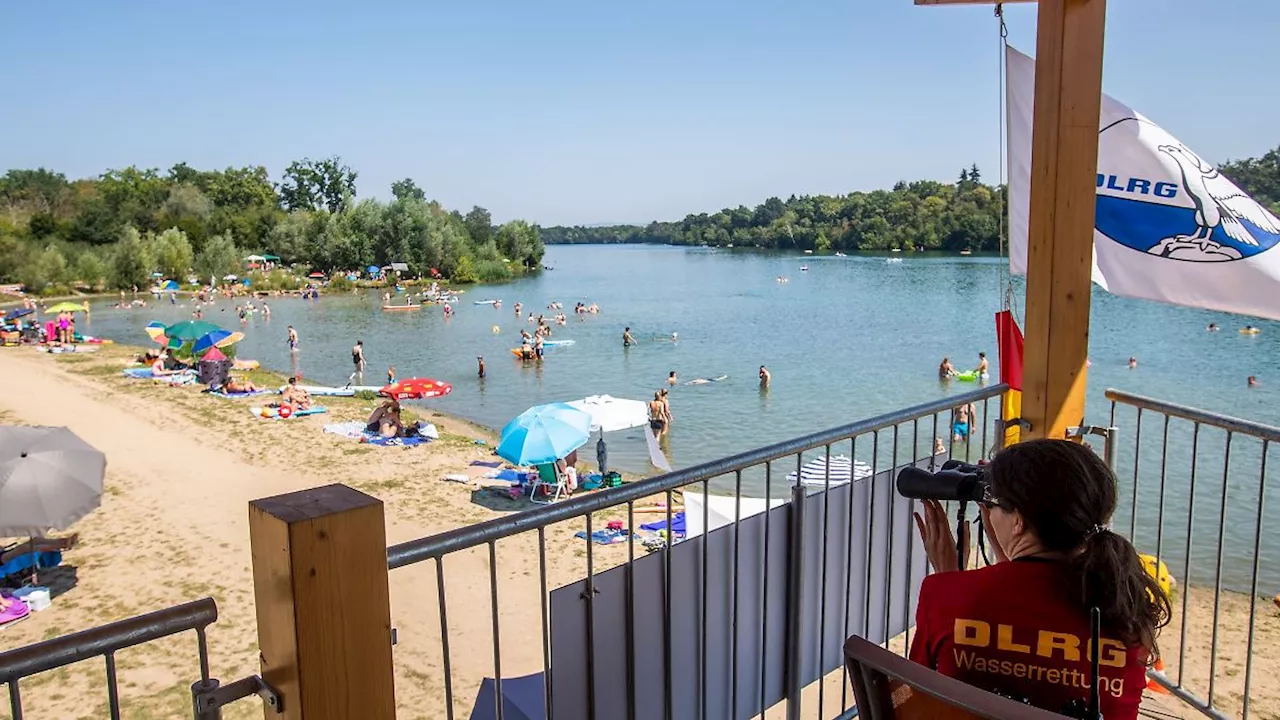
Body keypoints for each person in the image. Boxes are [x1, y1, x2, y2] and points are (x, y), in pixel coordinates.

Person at [909, 439, 1170, 720]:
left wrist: (948, 579)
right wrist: (1008, 564)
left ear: (1018, 521)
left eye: (994, 504)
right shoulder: (1123, 602)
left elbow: (915, 699)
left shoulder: (946, 595)